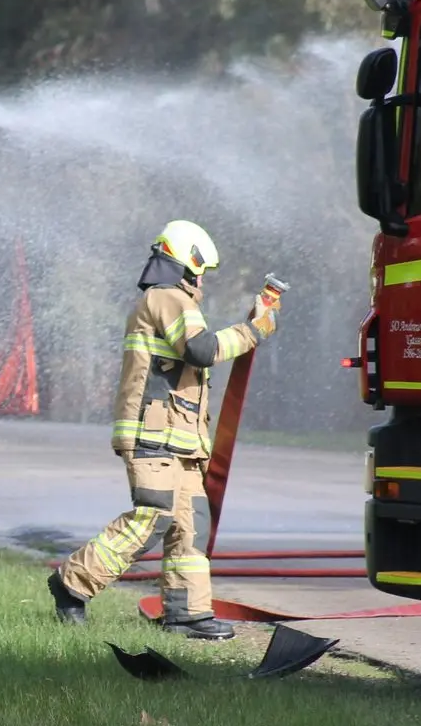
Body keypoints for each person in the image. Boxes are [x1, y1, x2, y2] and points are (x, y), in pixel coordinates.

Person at [46, 219, 281, 640]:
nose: (203, 284)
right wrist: (254, 331)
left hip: (180, 441)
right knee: (153, 517)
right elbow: (201, 349)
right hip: (154, 435)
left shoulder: (174, 301)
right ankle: (70, 584)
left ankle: (187, 614)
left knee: (190, 526)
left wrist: (252, 327)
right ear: (188, 263)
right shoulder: (167, 298)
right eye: (202, 274)